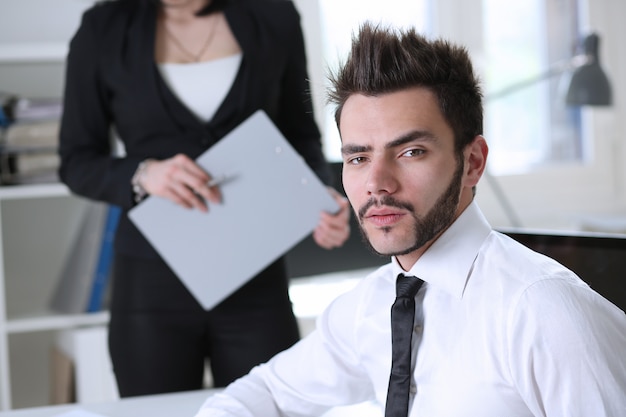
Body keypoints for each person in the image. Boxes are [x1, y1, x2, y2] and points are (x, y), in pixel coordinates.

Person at [193, 22, 626, 417]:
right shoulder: (370, 305)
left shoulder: (542, 311)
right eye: (359, 157)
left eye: (410, 152)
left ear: (473, 162)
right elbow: (263, 393)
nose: (377, 183)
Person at [58, 0, 351, 398]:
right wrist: (144, 174)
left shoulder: (274, 15)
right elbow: (76, 162)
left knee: (270, 407)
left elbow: (301, 137)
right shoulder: (103, 28)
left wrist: (318, 198)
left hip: (255, 272)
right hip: (150, 281)